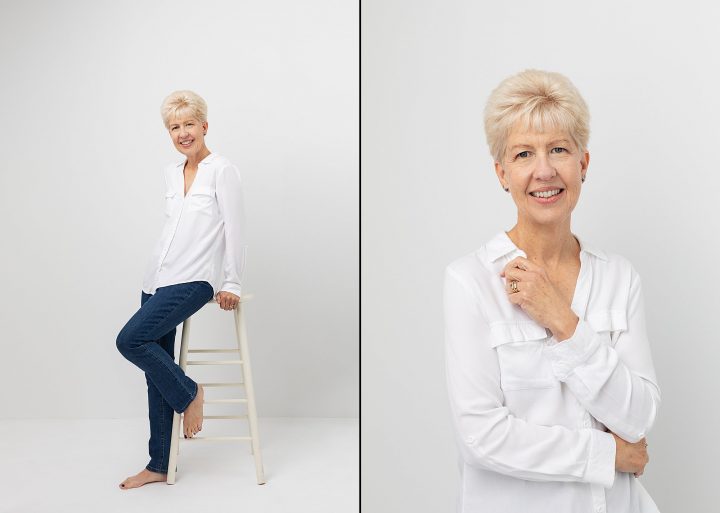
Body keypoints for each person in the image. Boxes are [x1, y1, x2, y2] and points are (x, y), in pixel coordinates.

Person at [443, 70, 661, 512]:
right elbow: (481, 437)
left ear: (583, 164)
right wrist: (608, 454)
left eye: (559, 149)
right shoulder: (469, 281)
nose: (544, 171)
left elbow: (638, 418)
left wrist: (562, 319)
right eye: (524, 153)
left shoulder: (620, 277)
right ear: (502, 173)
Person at [116, 90, 247, 489]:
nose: (183, 133)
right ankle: (159, 463)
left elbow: (235, 229)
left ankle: (189, 392)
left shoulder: (222, 170)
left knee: (130, 340)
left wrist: (231, 282)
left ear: (204, 126)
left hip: (194, 279)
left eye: (189, 124)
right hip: (156, 278)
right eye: (175, 127)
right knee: (153, 370)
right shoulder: (172, 173)